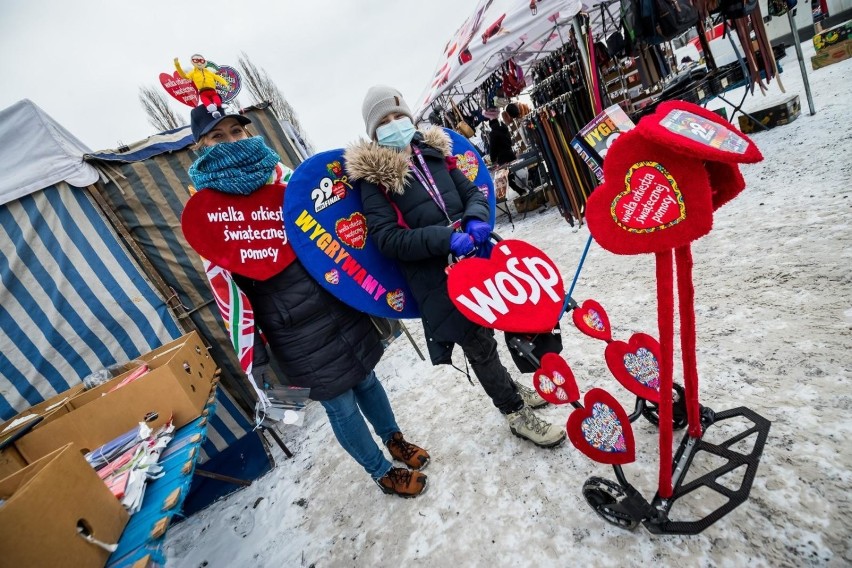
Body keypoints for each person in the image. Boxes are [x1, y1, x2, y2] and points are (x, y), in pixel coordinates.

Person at [186, 105, 429, 498]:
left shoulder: (285, 180)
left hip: (337, 304)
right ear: (200, 146)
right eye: (218, 137)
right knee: (341, 406)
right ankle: (382, 471)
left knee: (367, 379)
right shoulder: (210, 212)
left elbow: (335, 222)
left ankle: (393, 438)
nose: (231, 141)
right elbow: (227, 292)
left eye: (236, 131)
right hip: (293, 331)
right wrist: (255, 356)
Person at [345, 86, 565, 448]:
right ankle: (514, 412)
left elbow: (473, 193)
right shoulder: (375, 180)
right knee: (478, 344)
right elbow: (387, 239)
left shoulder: (433, 153)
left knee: (493, 331)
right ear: (373, 132)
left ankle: (511, 388)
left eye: (398, 116)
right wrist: (445, 239)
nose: (394, 124)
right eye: (383, 122)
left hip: (477, 263)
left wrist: (477, 220)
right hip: (439, 280)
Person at [487, 117, 527, 196]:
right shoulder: (504, 129)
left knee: (505, 177)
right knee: (515, 171)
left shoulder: (493, 133)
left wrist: (493, 159)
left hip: (502, 158)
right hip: (510, 154)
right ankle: (524, 187)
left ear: (491, 125)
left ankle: (520, 190)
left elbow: (492, 147)